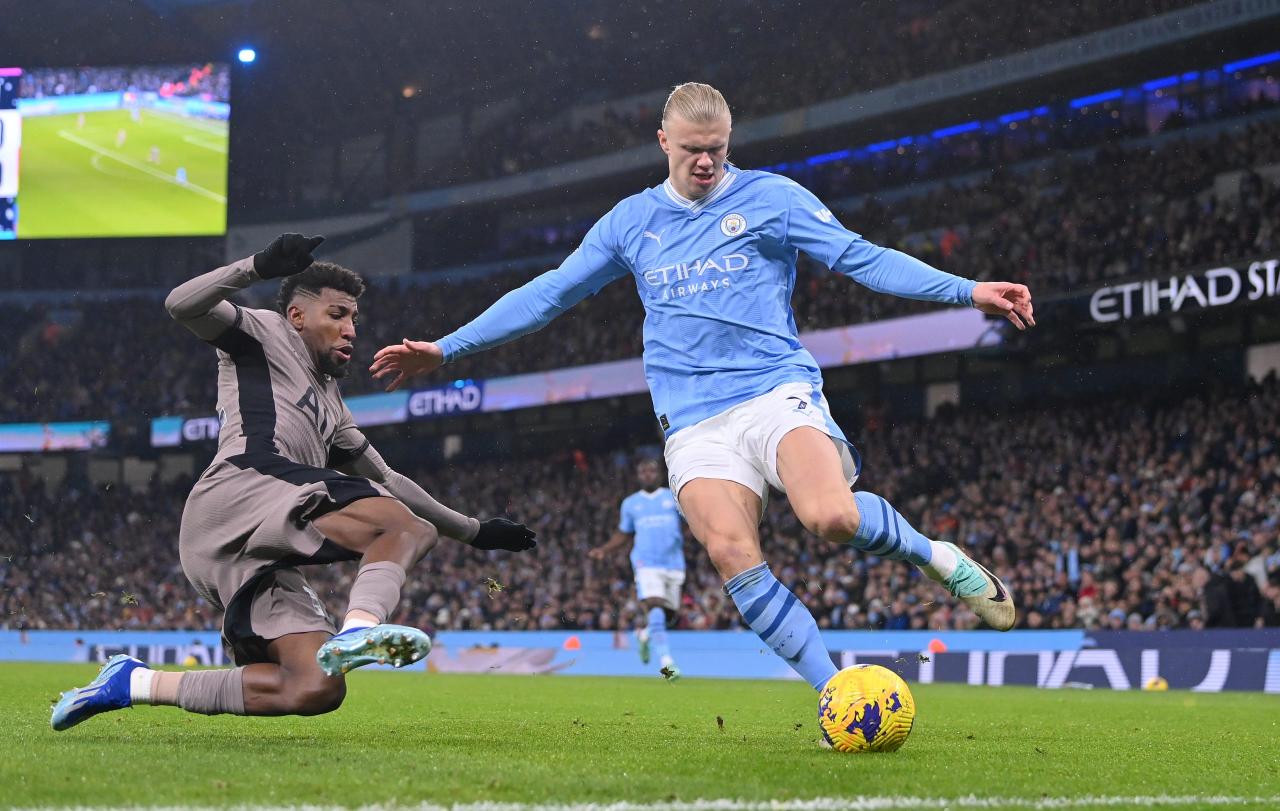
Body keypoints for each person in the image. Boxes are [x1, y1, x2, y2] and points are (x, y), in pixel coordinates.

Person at [371, 83, 1033, 692]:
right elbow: (549, 294)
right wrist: (447, 348)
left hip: (774, 390)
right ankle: (835, 692)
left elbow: (862, 256)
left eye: (717, 150)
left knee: (832, 516)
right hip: (692, 420)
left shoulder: (772, 198)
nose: (706, 163)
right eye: (692, 150)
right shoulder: (630, 222)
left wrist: (967, 290)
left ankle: (933, 555)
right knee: (730, 551)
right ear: (664, 142)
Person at [51, 234, 536, 731]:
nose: (350, 330)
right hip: (242, 490)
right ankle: (360, 630)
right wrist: (257, 267)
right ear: (298, 316)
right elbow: (180, 304)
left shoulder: (334, 408)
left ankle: (133, 683)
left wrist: (476, 532)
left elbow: (390, 479)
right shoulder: (263, 333)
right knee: (405, 529)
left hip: (250, 545)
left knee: (315, 686)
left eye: (354, 320)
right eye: (338, 315)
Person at [589, 458, 685, 679]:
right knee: (654, 605)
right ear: (638, 475)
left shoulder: (672, 497)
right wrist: (605, 550)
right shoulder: (631, 503)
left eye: (652, 471)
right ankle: (667, 664)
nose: (648, 475)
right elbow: (624, 533)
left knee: (668, 616)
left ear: (659, 473)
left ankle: (644, 634)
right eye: (643, 471)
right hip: (645, 563)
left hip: (673, 563)